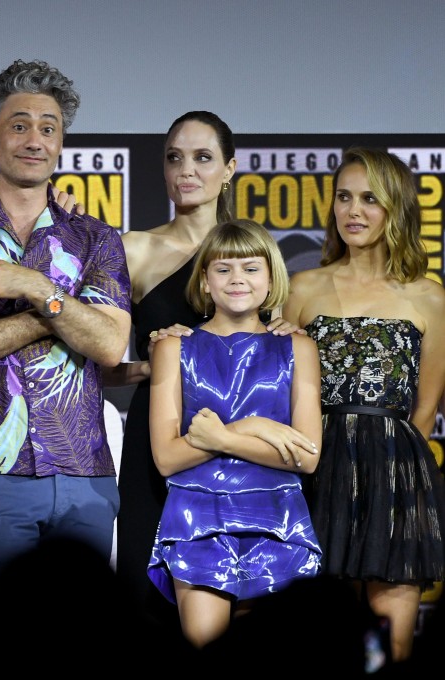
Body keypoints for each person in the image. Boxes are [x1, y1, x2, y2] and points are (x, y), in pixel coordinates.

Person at [0, 59, 132, 587]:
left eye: (48, 127)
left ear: (61, 143)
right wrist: (56, 314)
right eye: (19, 125)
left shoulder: (97, 238)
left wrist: (34, 287)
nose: (34, 139)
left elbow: (107, 344)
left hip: (84, 470)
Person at [109, 111, 301, 632]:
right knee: (149, 595)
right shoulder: (134, 248)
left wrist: (281, 331)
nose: (186, 170)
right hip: (163, 442)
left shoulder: (252, 253)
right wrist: (148, 367)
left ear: (229, 168)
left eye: (202, 158)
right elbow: (90, 360)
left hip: (252, 461)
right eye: (174, 158)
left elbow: (285, 355)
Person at [282, 147, 445, 666]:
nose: (353, 211)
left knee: (389, 645)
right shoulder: (302, 287)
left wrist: (388, 469)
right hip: (315, 467)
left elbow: (425, 410)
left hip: (395, 474)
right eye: (344, 197)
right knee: (315, 633)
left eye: (370, 199)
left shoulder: (429, 297)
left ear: (395, 208)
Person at [146, 219, 323, 648]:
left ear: (270, 278)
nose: (237, 279)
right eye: (223, 269)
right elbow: (167, 458)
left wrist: (223, 437)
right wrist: (253, 429)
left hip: (277, 518)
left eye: (250, 267)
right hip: (197, 520)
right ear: (205, 280)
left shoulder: (299, 347)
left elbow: (308, 456)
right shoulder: (174, 348)